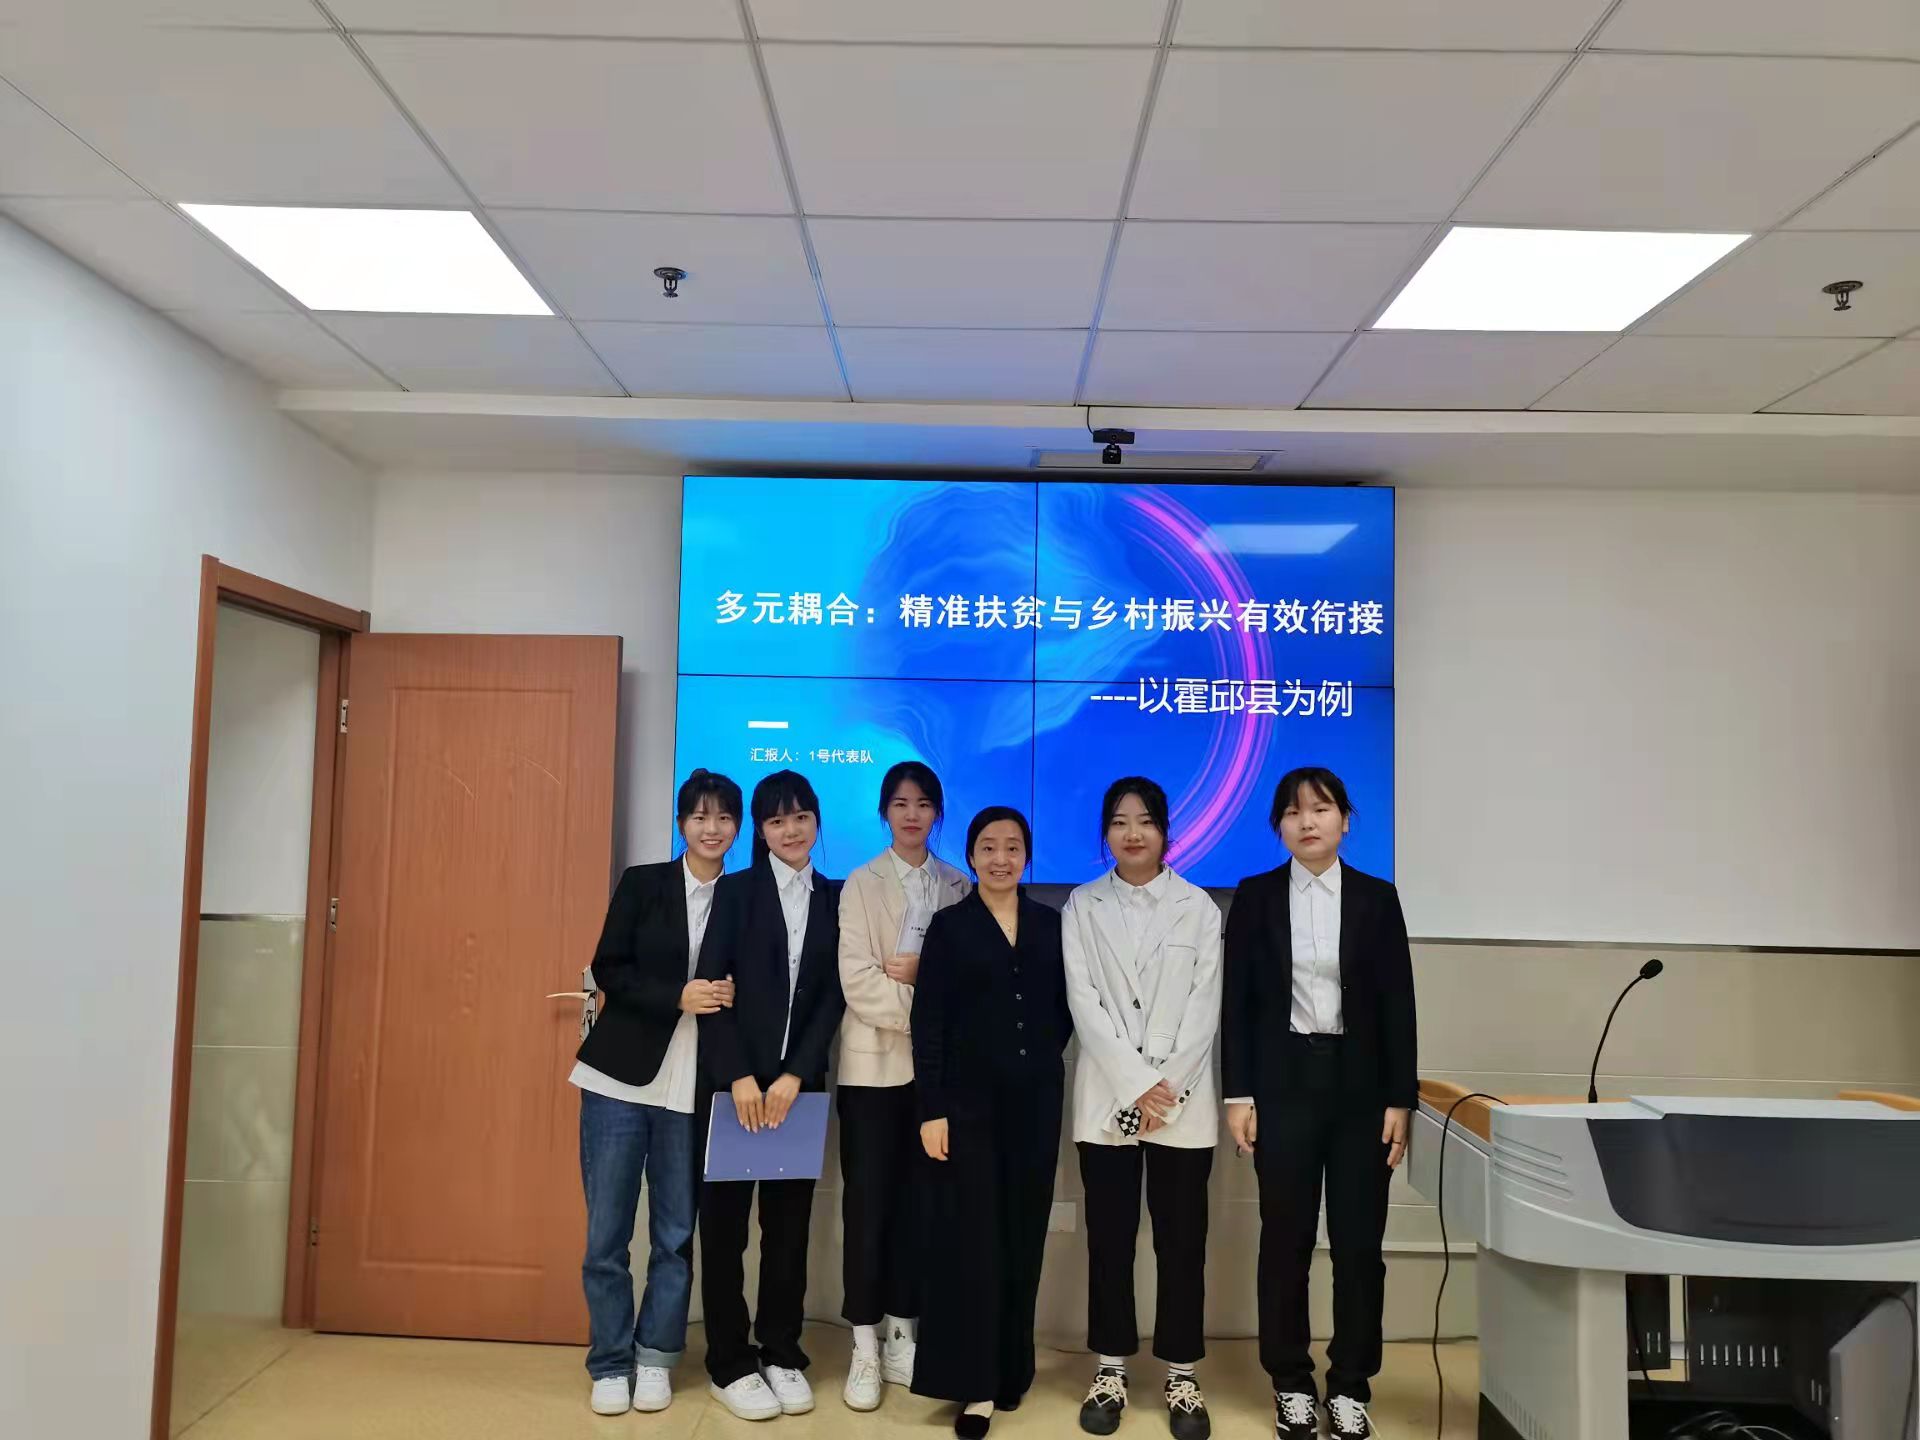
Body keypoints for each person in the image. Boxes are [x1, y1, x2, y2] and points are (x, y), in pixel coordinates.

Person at [1221, 768, 1417, 1440]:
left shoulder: (1376, 898)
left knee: (1360, 1246)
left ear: (1344, 820)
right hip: (1282, 1086)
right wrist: (1239, 1093)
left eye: (1321, 808)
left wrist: (1400, 1097)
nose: (1307, 822)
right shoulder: (1255, 897)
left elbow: (1398, 1003)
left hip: (1362, 1091)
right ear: (1278, 825)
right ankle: (1291, 1383)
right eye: (1293, 811)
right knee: (1286, 1241)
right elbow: (1238, 1005)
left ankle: (1351, 1386)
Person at [570, 769, 743, 1416]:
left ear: (737, 827)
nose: (711, 828)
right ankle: (610, 1362)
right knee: (606, 1236)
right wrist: (678, 996)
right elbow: (609, 967)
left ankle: (655, 1358)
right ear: (681, 824)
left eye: (723, 817)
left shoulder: (743, 897)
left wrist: (733, 992)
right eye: (699, 816)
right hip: (619, 1079)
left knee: (675, 1234)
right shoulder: (644, 883)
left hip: (694, 1088)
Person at [1061, 778, 1222, 1440]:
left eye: (1146, 821)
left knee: (1182, 1242)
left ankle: (1182, 1373)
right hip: (1109, 1097)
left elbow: (1204, 1008)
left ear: (1165, 832)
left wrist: (1165, 1087)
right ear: (1106, 832)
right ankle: (1110, 1369)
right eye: (1120, 821)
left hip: (1182, 1105)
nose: (1133, 833)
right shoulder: (1081, 904)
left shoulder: (1199, 907)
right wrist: (1135, 1084)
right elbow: (1083, 1001)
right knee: (1110, 1238)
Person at [911, 807, 1072, 1439]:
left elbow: (1064, 1011)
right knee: (972, 1243)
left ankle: (1012, 1369)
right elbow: (929, 1023)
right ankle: (974, 1384)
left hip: (1036, 1103)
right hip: (967, 1108)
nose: (1000, 858)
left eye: (1011, 847)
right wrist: (932, 1109)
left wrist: (1035, 1058)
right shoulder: (949, 927)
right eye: (987, 847)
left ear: (1026, 856)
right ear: (971, 856)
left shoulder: (1051, 924)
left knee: (1023, 1237)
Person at [694, 769, 844, 1422]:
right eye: (777, 820)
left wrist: (794, 1076)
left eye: (801, 816)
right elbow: (711, 986)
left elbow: (834, 995)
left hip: (796, 1093)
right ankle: (729, 1362)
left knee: (787, 1231)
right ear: (760, 829)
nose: (791, 830)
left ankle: (781, 1351)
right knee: (725, 1232)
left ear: (816, 821)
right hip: (734, 1091)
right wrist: (739, 1077)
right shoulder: (734, 892)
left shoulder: (836, 897)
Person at [835, 761, 971, 1410]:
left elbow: (966, 981)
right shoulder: (860, 884)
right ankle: (863, 1344)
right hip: (872, 1071)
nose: (912, 814)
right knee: (868, 1209)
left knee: (922, 1207)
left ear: (937, 812)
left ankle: (901, 1331)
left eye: (923, 804)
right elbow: (858, 980)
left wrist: (926, 985)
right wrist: (928, 1007)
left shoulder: (959, 885)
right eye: (900, 803)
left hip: (936, 1080)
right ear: (884, 812)